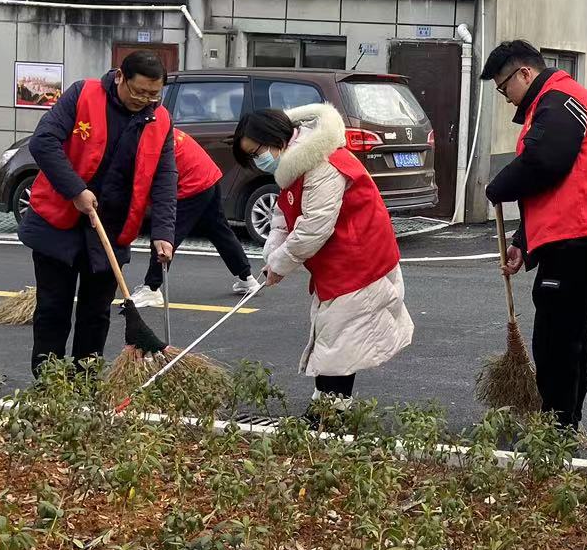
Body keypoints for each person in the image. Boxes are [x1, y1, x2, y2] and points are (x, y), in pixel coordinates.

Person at [482, 41, 587, 428]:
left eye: (505, 87)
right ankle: (563, 420)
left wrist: (497, 186)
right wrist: (523, 240)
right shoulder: (556, 101)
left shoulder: (559, 100)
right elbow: (554, 185)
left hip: (581, 234)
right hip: (578, 231)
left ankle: (558, 427)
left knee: (557, 337)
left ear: (525, 73)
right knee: (570, 330)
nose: (506, 98)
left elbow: (543, 161)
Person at [233, 104, 413, 413]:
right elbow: (284, 213)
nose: (257, 161)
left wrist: (280, 264)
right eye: (250, 156)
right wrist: (273, 251)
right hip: (338, 258)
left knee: (340, 339)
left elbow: (314, 227)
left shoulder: (322, 163)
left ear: (275, 137)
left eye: (256, 151)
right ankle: (327, 406)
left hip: (358, 258)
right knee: (336, 335)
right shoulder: (293, 162)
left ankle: (330, 414)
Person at [19, 52, 176, 376]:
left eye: (153, 94)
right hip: (59, 222)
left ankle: (85, 381)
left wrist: (163, 233)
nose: (145, 100)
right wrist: (75, 190)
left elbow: (164, 178)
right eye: (138, 92)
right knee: (53, 307)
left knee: (97, 312)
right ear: (120, 77)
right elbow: (43, 141)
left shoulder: (160, 121)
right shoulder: (83, 95)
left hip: (112, 226)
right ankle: (49, 382)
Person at [131, 128, 259, 308]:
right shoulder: (154, 124)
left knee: (166, 234)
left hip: (191, 183)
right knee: (218, 229)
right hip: (206, 175)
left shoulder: (140, 136)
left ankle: (152, 288)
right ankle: (247, 278)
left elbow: (144, 186)